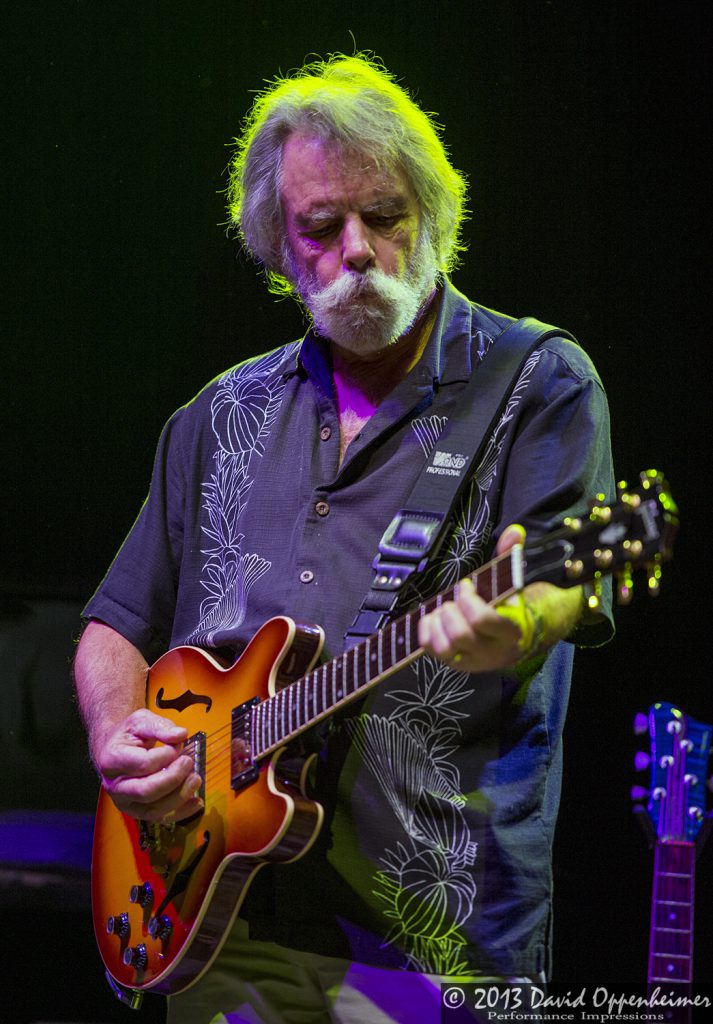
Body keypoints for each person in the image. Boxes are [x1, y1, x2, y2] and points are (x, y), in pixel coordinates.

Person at [74, 53, 614, 1024]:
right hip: (215, 921)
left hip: (427, 945)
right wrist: (121, 740)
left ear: (435, 218)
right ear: (277, 248)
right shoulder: (218, 413)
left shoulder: (535, 382)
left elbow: (559, 585)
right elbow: (112, 625)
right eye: (320, 229)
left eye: (385, 216)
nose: (355, 250)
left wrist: (514, 623)